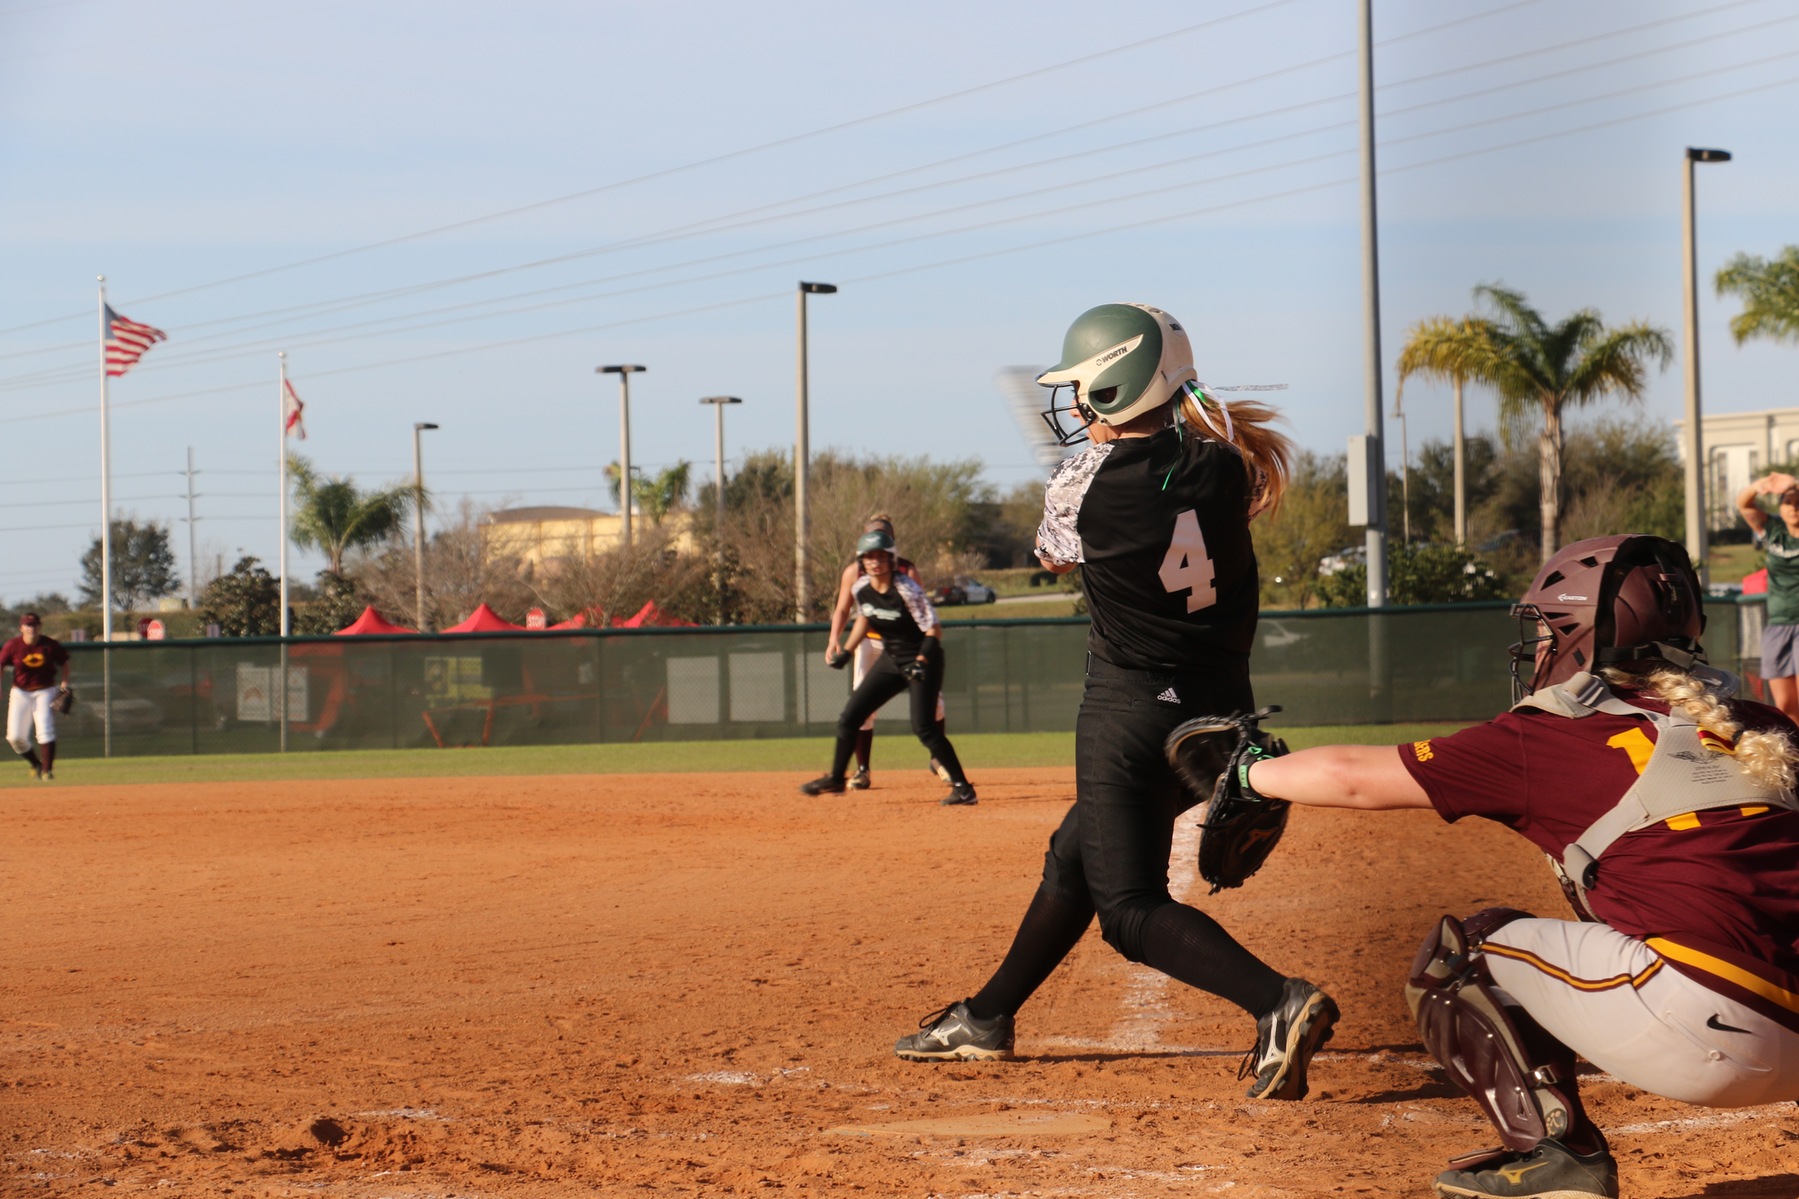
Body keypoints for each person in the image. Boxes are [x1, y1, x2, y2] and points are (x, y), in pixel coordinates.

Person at [1239, 534, 1799, 1199]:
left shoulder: (1554, 732)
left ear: (1579, 637)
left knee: (1465, 952)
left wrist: (1247, 772)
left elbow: (1352, 776)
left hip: (1711, 1036)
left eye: (1546, 630)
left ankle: (1559, 1156)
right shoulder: (1761, 723)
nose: (1537, 646)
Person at [891, 302, 1339, 1103]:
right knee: (1076, 854)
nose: (1073, 402)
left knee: (1128, 909)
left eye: (1083, 387)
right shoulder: (1226, 462)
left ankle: (1277, 1001)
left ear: (1118, 385)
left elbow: (1053, 558)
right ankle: (986, 1016)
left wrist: (1088, 475)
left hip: (1130, 711)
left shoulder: (1080, 482)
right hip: (1216, 715)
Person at [801, 529, 977, 805]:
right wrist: (847, 651)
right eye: (869, 557)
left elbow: (934, 630)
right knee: (850, 717)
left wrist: (921, 662)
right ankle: (836, 778)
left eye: (881, 556)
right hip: (891, 660)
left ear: (892, 559)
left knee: (924, 727)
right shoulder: (861, 588)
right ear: (861, 561)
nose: (875, 562)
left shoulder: (906, 589)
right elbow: (865, 618)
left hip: (924, 659)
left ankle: (963, 789)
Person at [826, 513, 949, 791]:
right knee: (861, 702)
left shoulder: (906, 570)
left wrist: (922, 654)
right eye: (871, 537)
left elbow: (922, 615)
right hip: (869, 642)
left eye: (882, 537)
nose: (876, 546)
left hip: (905, 644)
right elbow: (844, 609)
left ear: (891, 543)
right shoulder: (854, 572)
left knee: (935, 704)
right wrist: (835, 639)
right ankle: (862, 770)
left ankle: (938, 759)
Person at [1734, 471, 1799, 722]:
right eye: (1788, 502)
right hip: (1778, 624)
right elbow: (1743, 504)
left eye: (1798, 502)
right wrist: (1760, 485)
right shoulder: (1773, 530)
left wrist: (1795, 483)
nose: (1794, 507)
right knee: (1785, 705)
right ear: (1780, 507)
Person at [1, 612, 71, 780]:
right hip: (20, 692)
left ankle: (47, 771)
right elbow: (1, 664)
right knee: (14, 737)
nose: (31, 628)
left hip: (45, 690)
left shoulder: (50, 645)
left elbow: (64, 663)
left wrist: (64, 684)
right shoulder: (13, 645)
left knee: (45, 730)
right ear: (21, 628)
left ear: (39, 627)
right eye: (28, 625)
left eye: (34, 625)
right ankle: (35, 763)